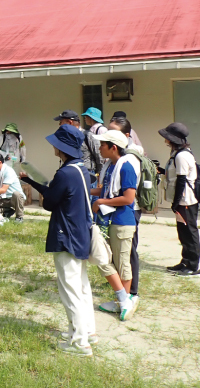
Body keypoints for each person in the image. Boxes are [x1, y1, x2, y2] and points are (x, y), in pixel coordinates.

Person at [19, 125, 96, 357]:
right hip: (80, 233)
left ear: (61, 147)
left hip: (66, 236)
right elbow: (55, 193)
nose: (53, 146)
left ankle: (80, 343)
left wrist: (38, 189)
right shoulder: (79, 169)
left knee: (70, 289)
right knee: (82, 286)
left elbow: (50, 202)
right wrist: (32, 182)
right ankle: (86, 331)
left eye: (55, 143)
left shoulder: (65, 173)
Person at [89, 129, 138, 321]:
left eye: (102, 144)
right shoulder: (110, 166)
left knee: (121, 263)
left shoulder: (126, 167)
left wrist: (101, 202)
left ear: (113, 147)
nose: (99, 148)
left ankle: (123, 302)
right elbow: (103, 190)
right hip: (107, 221)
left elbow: (128, 198)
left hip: (121, 223)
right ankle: (122, 299)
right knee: (104, 260)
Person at [159, 122, 200, 277]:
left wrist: (176, 203)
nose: (165, 140)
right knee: (183, 233)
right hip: (182, 201)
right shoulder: (178, 154)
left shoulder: (182, 156)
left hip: (186, 201)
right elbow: (175, 176)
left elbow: (182, 181)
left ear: (173, 139)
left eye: (167, 138)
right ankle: (185, 262)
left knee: (189, 233)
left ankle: (193, 266)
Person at [109, 117, 143, 305]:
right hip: (119, 209)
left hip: (129, 210)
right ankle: (123, 289)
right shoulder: (119, 159)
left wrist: (104, 201)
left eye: (115, 132)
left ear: (127, 136)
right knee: (121, 254)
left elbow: (128, 194)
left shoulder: (130, 159)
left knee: (128, 253)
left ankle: (131, 293)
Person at [54, 110, 102, 181]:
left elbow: (99, 156)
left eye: (61, 122)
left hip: (88, 175)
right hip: (71, 174)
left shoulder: (88, 135)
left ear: (70, 122)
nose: (60, 125)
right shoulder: (67, 137)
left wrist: (99, 176)